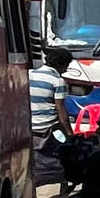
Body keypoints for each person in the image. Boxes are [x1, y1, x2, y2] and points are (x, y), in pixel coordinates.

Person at [30, 47, 73, 187]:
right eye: (66, 66)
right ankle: (63, 185)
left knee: (33, 161)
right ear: (62, 65)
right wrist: (69, 133)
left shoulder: (30, 74)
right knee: (62, 157)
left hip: (30, 126)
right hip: (49, 127)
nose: (66, 70)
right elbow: (61, 110)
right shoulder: (58, 81)